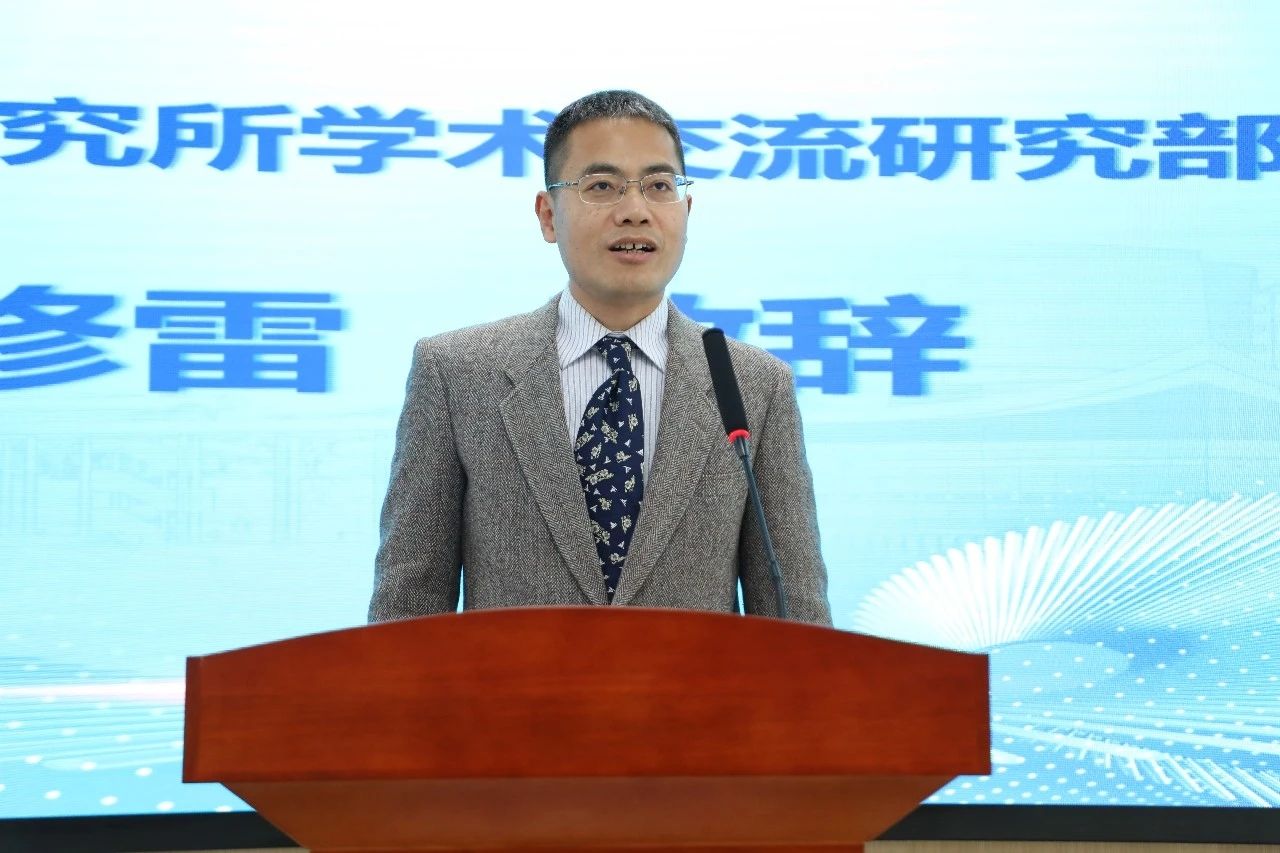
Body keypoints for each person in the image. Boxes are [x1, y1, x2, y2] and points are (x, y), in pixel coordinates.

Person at [369, 90, 831, 624]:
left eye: (659, 186)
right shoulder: (458, 373)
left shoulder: (752, 384)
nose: (635, 211)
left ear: (686, 211)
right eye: (602, 186)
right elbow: (408, 608)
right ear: (548, 215)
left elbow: (795, 616)